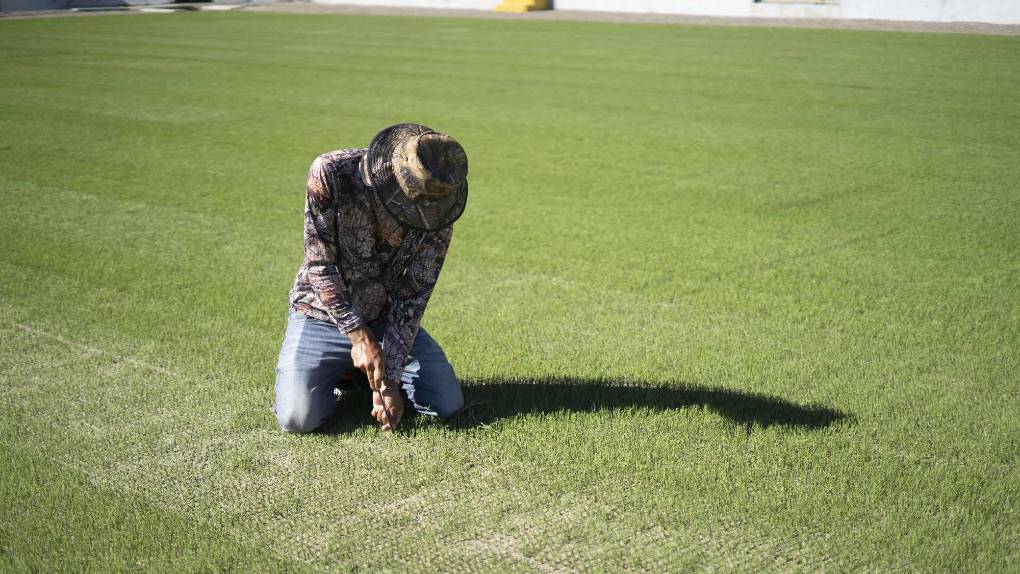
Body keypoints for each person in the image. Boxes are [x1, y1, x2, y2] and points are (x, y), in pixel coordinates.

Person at [274, 123, 468, 432]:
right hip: (319, 314)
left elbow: (413, 297)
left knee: (447, 404)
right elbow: (320, 263)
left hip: (383, 319)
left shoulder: (439, 210)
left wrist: (390, 380)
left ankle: (364, 376)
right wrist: (358, 336)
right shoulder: (331, 172)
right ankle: (345, 373)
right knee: (298, 418)